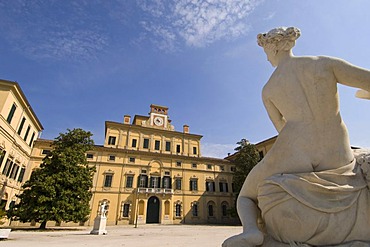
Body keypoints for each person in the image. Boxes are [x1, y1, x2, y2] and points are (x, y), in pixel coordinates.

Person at [223, 27, 370, 246]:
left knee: (245, 195)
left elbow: (281, 128)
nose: (267, 59)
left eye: (265, 53)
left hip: (293, 146)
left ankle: (251, 231)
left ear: (272, 49)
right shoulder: (323, 63)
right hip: (336, 148)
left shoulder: (268, 89)